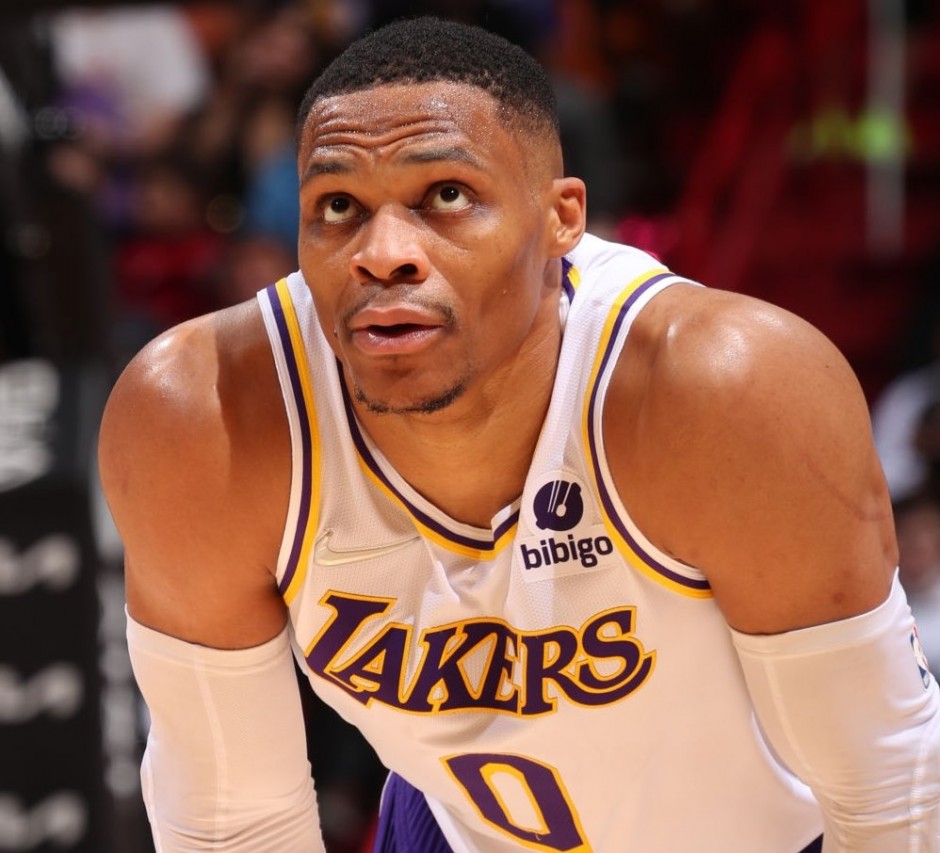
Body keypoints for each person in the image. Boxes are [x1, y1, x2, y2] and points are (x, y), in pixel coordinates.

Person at [97, 16, 940, 853]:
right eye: (339, 206)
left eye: (446, 196)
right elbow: (234, 820)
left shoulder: (723, 389)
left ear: (562, 218)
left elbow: (888, 784)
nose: (382, 253)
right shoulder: (203, 416)